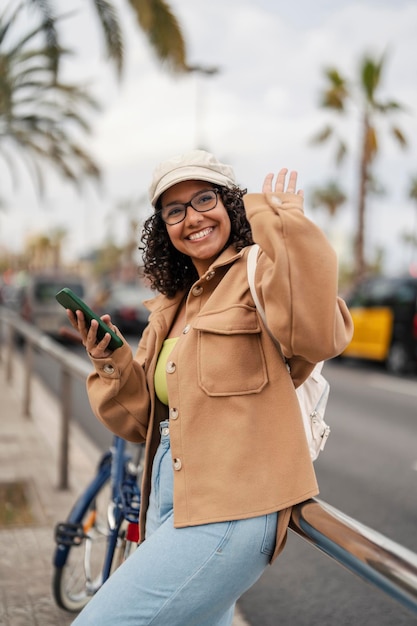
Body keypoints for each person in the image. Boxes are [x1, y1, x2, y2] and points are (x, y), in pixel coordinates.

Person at [70, 149, 353, 626]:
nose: (192, 218)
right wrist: (111, 359)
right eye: (174, 210)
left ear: (230, 205)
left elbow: (317, 333)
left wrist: (286, 234)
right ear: (163, 228)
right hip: (167, 494)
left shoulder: (259, 274)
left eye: (205, 199)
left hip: (230, 512)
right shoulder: (171, 306)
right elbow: (139, 422)